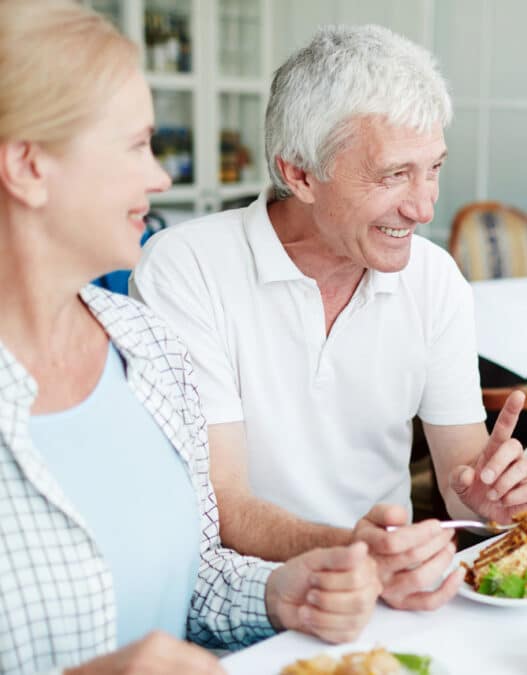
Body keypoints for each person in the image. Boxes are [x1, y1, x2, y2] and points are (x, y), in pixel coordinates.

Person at [0, 2, 381, 672]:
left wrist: (277, 594)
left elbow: (192, 571)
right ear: (28, 165)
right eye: (134, 145)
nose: (161, 176)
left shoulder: (147, 348)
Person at [130, 25, 527, 611]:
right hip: (248, 605)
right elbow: (223, 505)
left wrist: (492, 496)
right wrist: (357, 551)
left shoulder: (435, 278)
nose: (423, 206)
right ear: (298, 173)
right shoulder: (187, 268)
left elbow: (462, 488)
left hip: (393, 598)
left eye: (433, 169)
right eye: (393, 175)